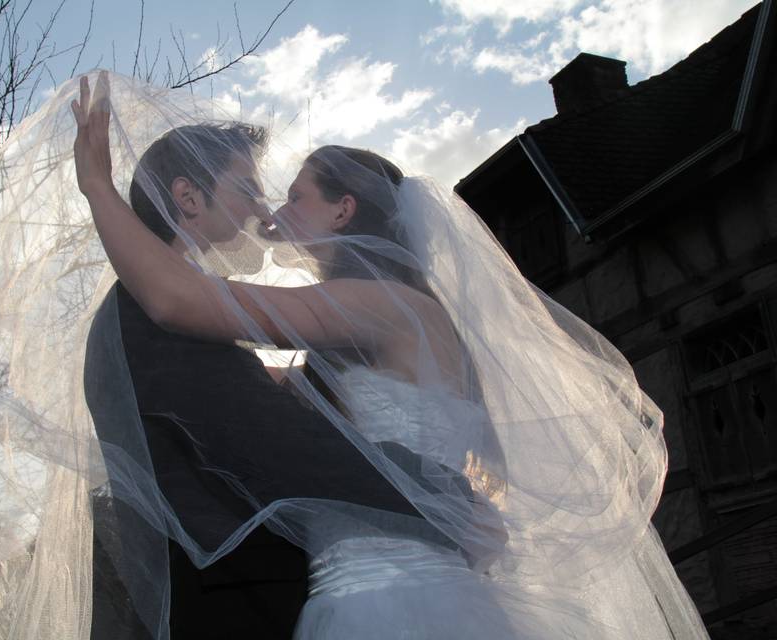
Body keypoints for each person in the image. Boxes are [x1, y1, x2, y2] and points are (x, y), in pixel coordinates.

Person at [72, 72, 711, 639]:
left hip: (383, 588)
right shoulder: (378, 317)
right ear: (189, 196)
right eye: (255, 190)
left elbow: (193, 308)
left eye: (294, 196)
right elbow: (256, 392)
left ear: (344, 210)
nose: (269, 210)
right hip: (364, 576)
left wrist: (99, 188)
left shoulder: (372, 303)